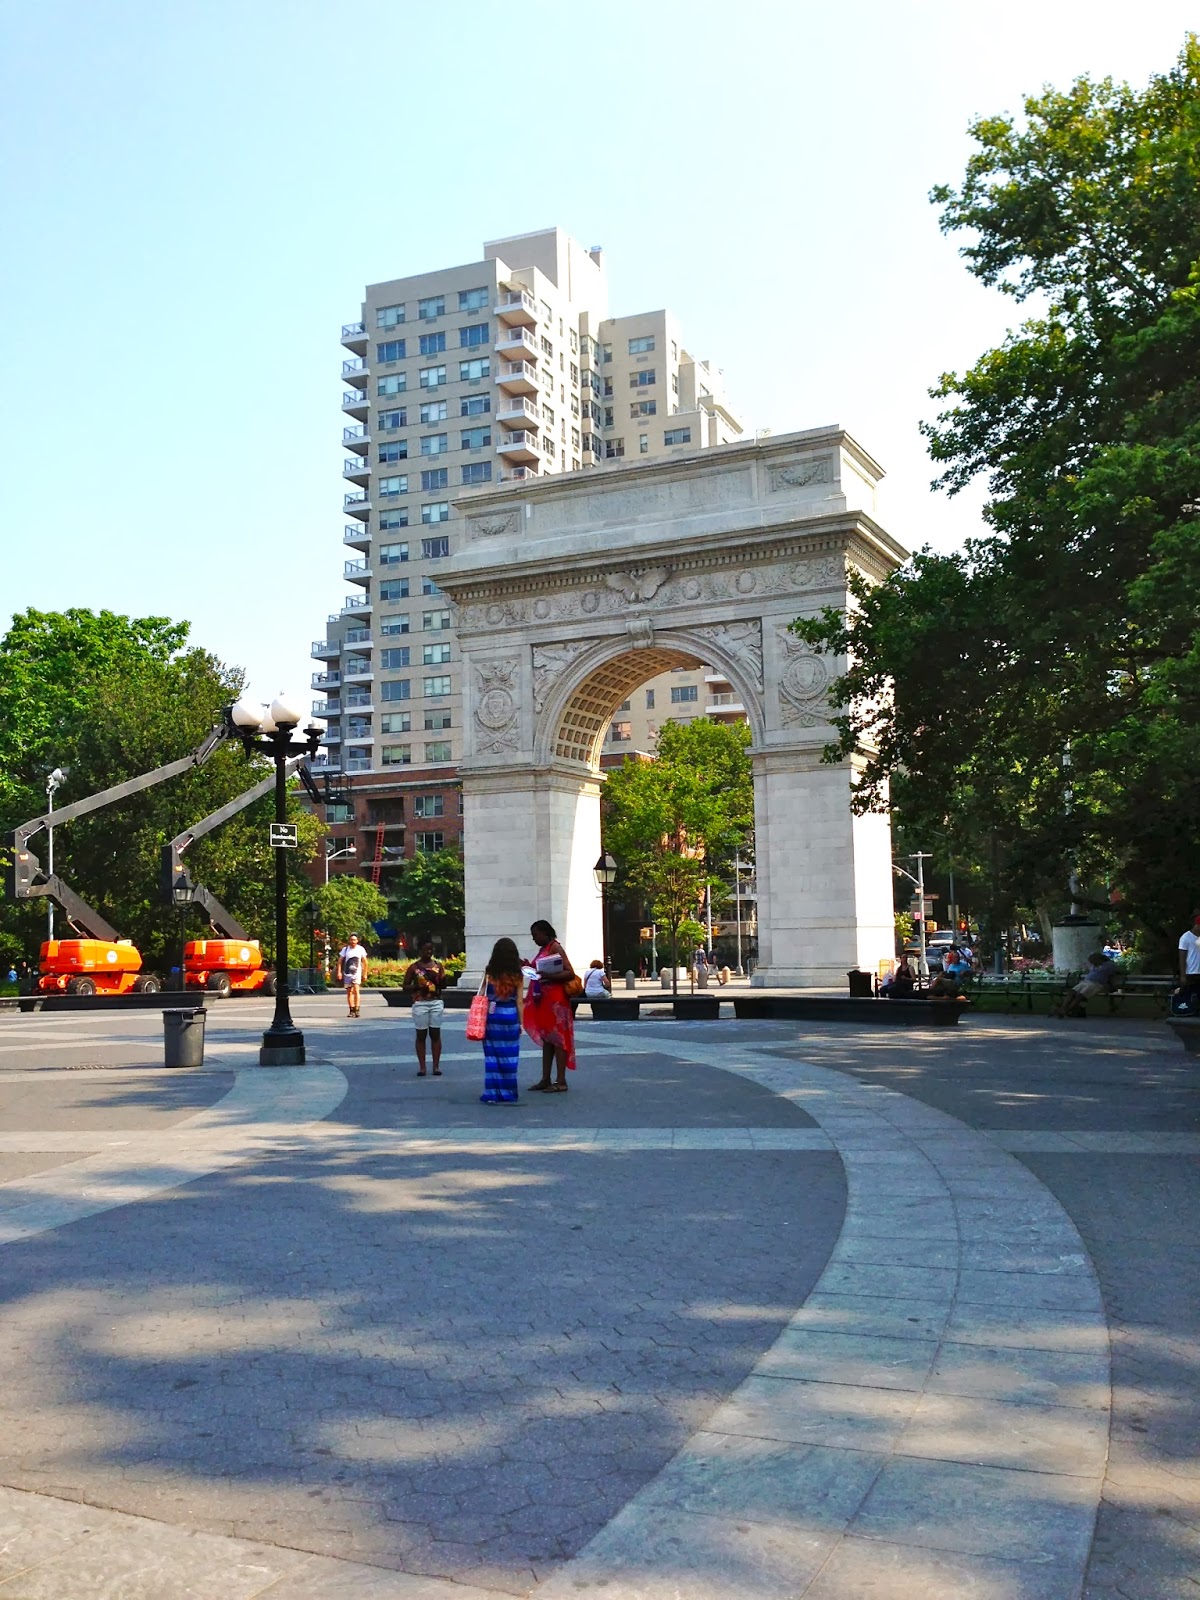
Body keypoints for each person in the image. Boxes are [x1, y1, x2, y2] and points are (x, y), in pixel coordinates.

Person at [523, 919, 577, 1092]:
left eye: (536, 935)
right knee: (548, 1039)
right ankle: (545, 1078)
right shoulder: (543, 949)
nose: (534, 939)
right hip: (545, 1000)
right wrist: (527, 966)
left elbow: (569, 972)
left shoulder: (555, 947)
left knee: (559, 1040)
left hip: (556, 1001)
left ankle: (561, 1080)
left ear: (545, 933)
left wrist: (548, 975)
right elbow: (539, 970)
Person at [479, 937, 524, 1105]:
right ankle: (509, 1091)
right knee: (509, 1055)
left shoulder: (489, 972)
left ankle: (492, 1092)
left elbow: (482, 993)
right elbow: (520, 1001)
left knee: (491, 1055)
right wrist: (521, 1023)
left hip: (492, 1016)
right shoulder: (518, 974)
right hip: (510, 1014)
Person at [403, 941, 447, 1076]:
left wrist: (441, 979)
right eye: (425, 950)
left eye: (430, 950)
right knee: (421, 1034)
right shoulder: (413, 967)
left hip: (436, 1002)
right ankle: (422, 1067)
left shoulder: (438, 966)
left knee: (435, 1033)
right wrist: (418, 987)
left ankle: (436, 1066)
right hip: (420, 1003)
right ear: (420, 951)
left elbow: (444, 985)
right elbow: (405, 986)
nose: (428, 952)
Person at [1054, 951, 1121, 1018]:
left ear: (1098, 959)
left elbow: (1112, 975)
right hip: (1086, 981)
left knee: (1080, 996)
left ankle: (1067, 1010)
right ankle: (1062, 1008)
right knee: (1072, 992)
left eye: (1093, 961)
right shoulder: (1095, 966)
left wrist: (1111, 985)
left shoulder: (1109, 964)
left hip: (1096, 984)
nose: (1092, 963)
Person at [336, 933, 367, 1018]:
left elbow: (365, 962)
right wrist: (339, 972)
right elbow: (339, 962)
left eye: (354, 940)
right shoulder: (345, 950)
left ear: (357, 941)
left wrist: (365, 973)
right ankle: (351, 1010)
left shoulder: (360, 949)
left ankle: (357, 1009)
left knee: (356, 990)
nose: (353, 941)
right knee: (349, 992)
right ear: (349, 941)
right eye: (351, 940)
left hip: (357, 973)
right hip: (347, 973)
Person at [1177, 912, 1200, 1012]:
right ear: (1196, 925)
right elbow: (1182, 957)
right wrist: (1183, 975)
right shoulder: (1186, 937)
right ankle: (1184, 1011)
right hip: (1191, 972)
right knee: (1188, 994)